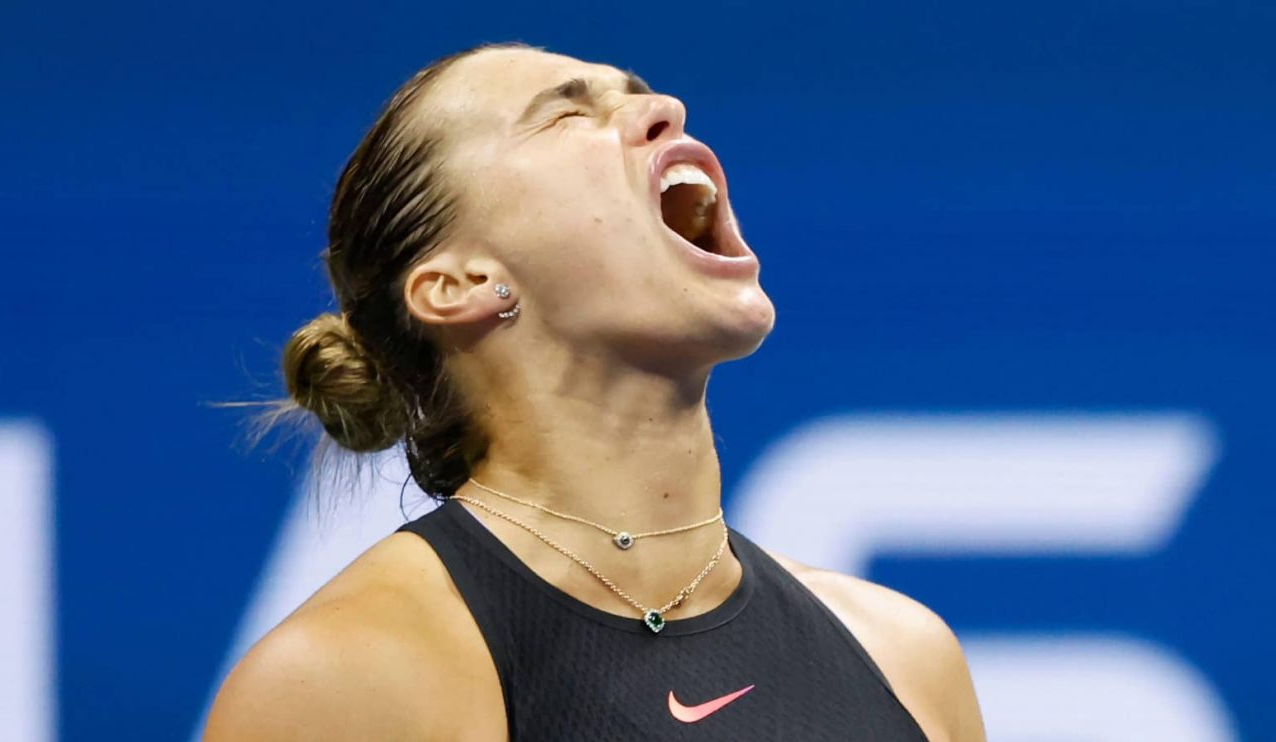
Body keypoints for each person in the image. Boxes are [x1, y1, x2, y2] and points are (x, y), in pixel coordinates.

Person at [203, 42, 987, 741]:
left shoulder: (906, 655)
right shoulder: (351, 676)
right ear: (462, 284)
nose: (664, 108)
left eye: (637, 91)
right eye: (566, 115)